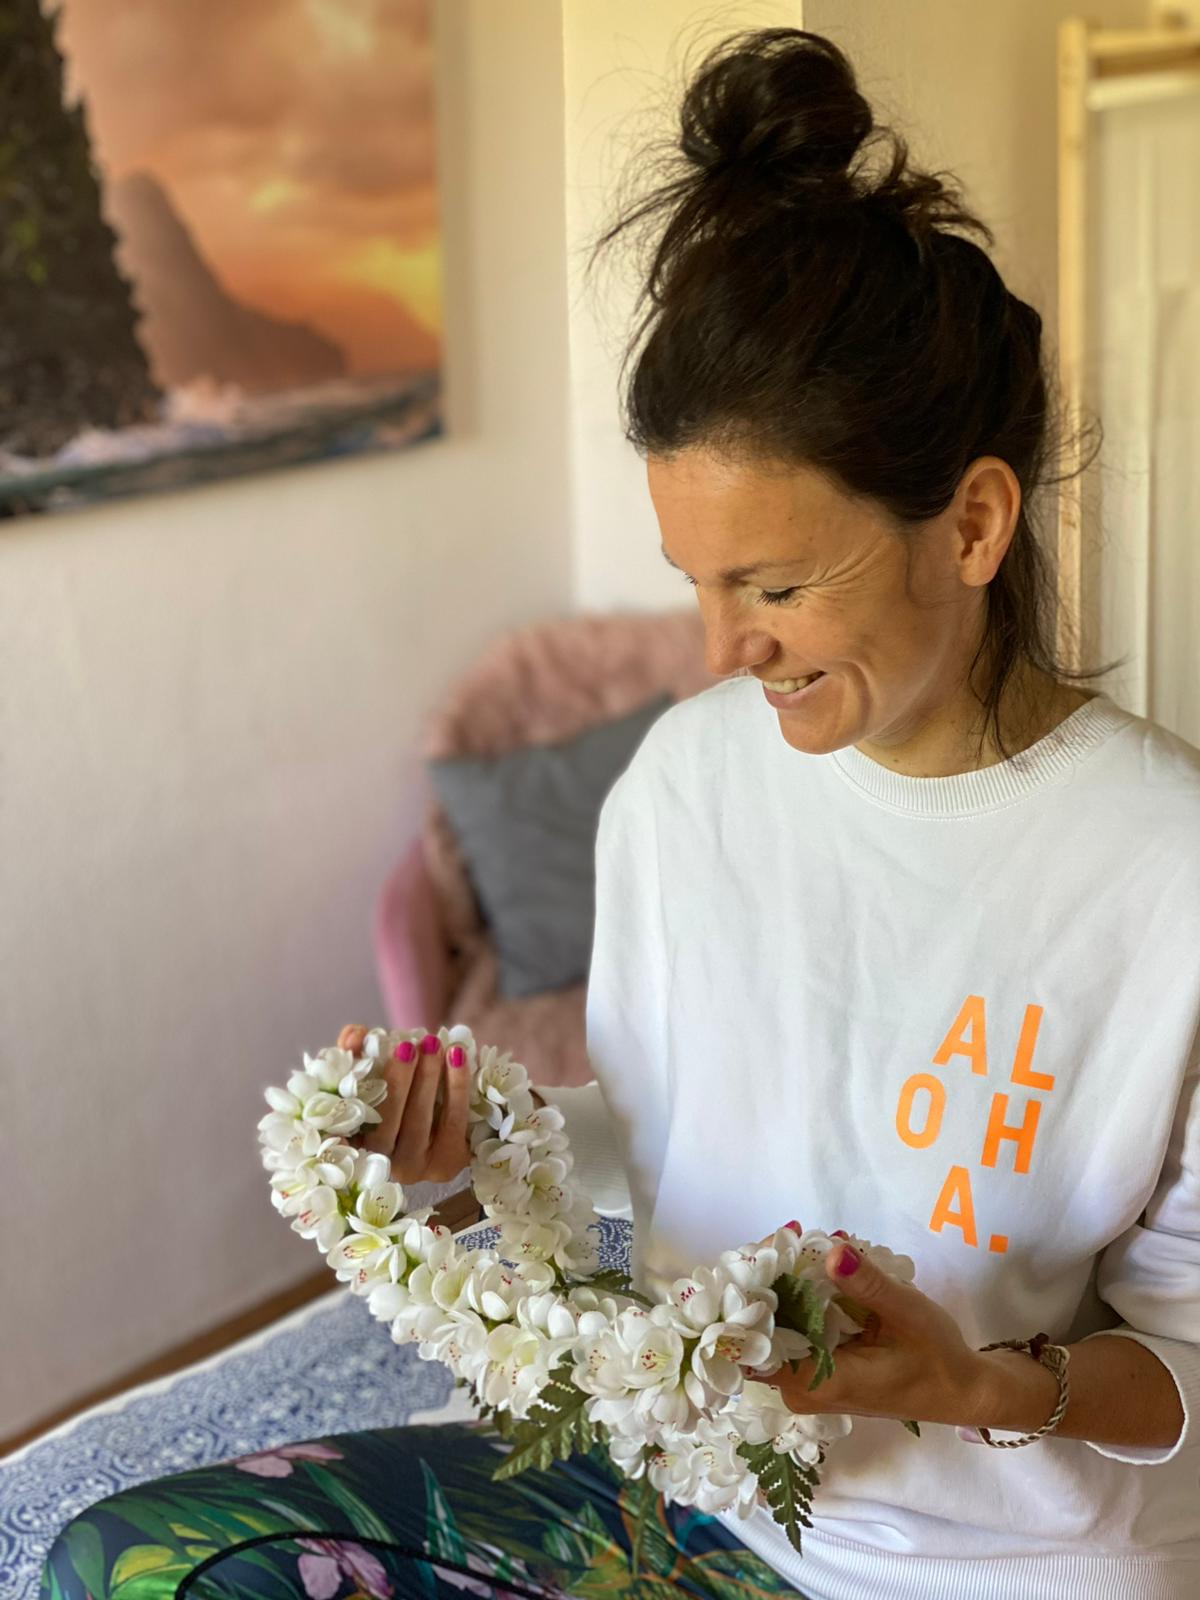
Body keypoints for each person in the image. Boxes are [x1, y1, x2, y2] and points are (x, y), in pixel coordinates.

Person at [42, 26, 1199, 1600]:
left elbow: (1188, 1376)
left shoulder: (1162, 871)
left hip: (986, 1568)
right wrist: (473, 1153)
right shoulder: (685, 783)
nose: (723, 651)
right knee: (138, 1560)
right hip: (685, 1502)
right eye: (698, 585)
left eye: (777, 585)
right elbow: (659, 1149)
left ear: (975, 523)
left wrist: (971, 1384)